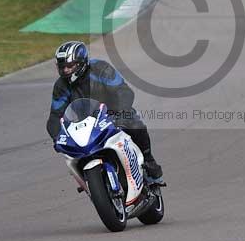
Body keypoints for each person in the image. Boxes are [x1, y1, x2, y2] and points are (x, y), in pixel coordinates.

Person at [46, 40, 164, 184]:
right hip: (85, 124)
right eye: (62, 67)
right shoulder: (61, 86)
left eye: (69, 66)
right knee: (73, 156)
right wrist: (57, 137)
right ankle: (91, 182)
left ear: (81, 63)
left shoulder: (101, 68)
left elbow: (123, 91)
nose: (65, 71)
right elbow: (55, 115)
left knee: (133, 123)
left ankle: (148, 160)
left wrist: (120, 112)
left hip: (113, 113)